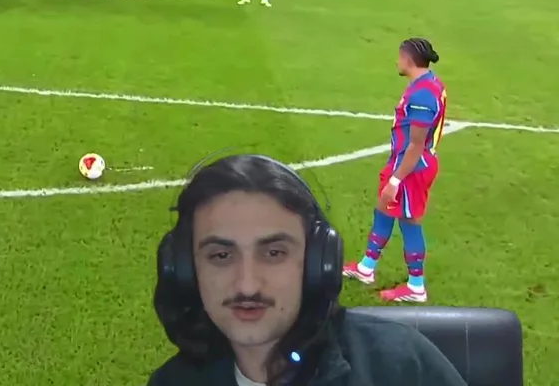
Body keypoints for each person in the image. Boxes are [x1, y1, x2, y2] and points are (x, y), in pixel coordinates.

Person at [150, 154, 466, 386]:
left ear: (319, 262)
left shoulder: (400, 366)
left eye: (274, 253)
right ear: (185, 269)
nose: (247, 285)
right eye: (221, 255)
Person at [344, 38, 448, 303]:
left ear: (409, 59)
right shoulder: (428, 83)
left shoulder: (423, 95)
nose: (397, 61)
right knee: (383, 208)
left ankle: (416, 286)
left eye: (400, 57)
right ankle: (366, 267)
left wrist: (396, 179)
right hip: (403, 162)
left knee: (409, 222)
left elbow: (416, 145)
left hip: (412, 167)